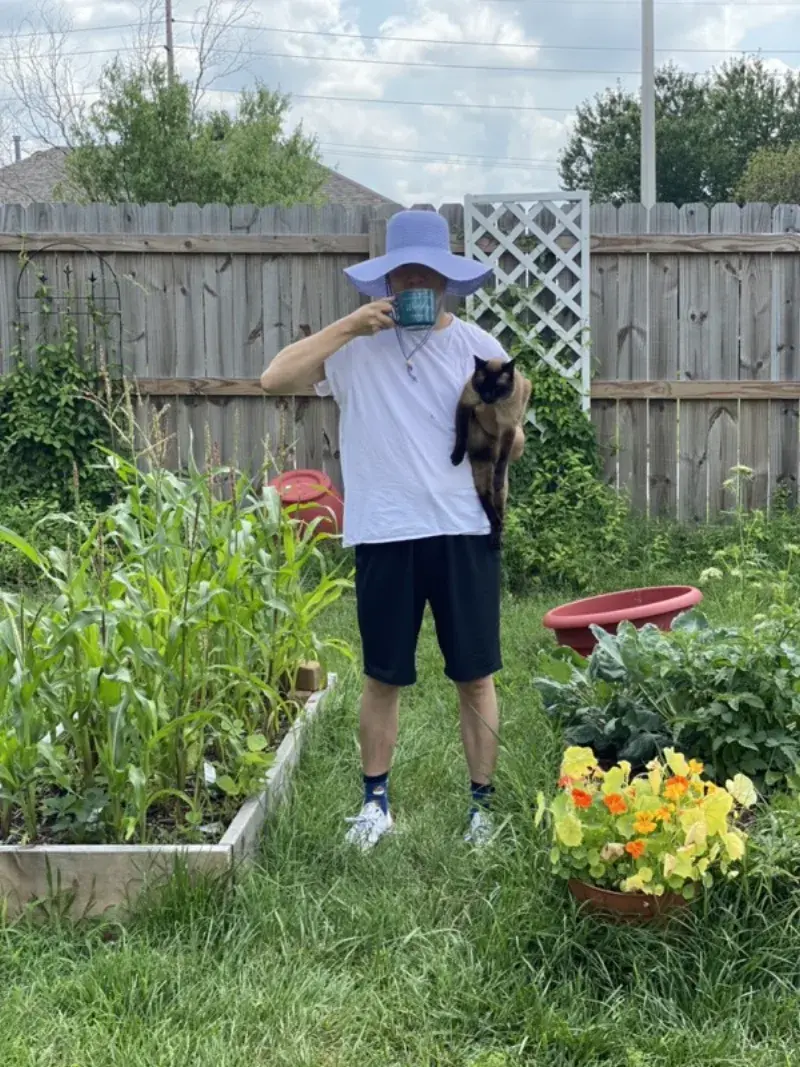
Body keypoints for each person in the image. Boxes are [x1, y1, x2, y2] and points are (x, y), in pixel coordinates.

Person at [261, 209, 523, 851]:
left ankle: (481, 809)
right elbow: (274, 379)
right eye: (403, 274)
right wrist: (349, 325)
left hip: (462, 529)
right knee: (383, 676)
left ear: (446, 281)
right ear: (385, 281)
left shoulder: (478, 348)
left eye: (427, 275)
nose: (415, 285)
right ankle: (374, 805)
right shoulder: (351, 350)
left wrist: (508, 414)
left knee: (475, 674)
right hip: (383, 531)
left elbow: (509, 441)